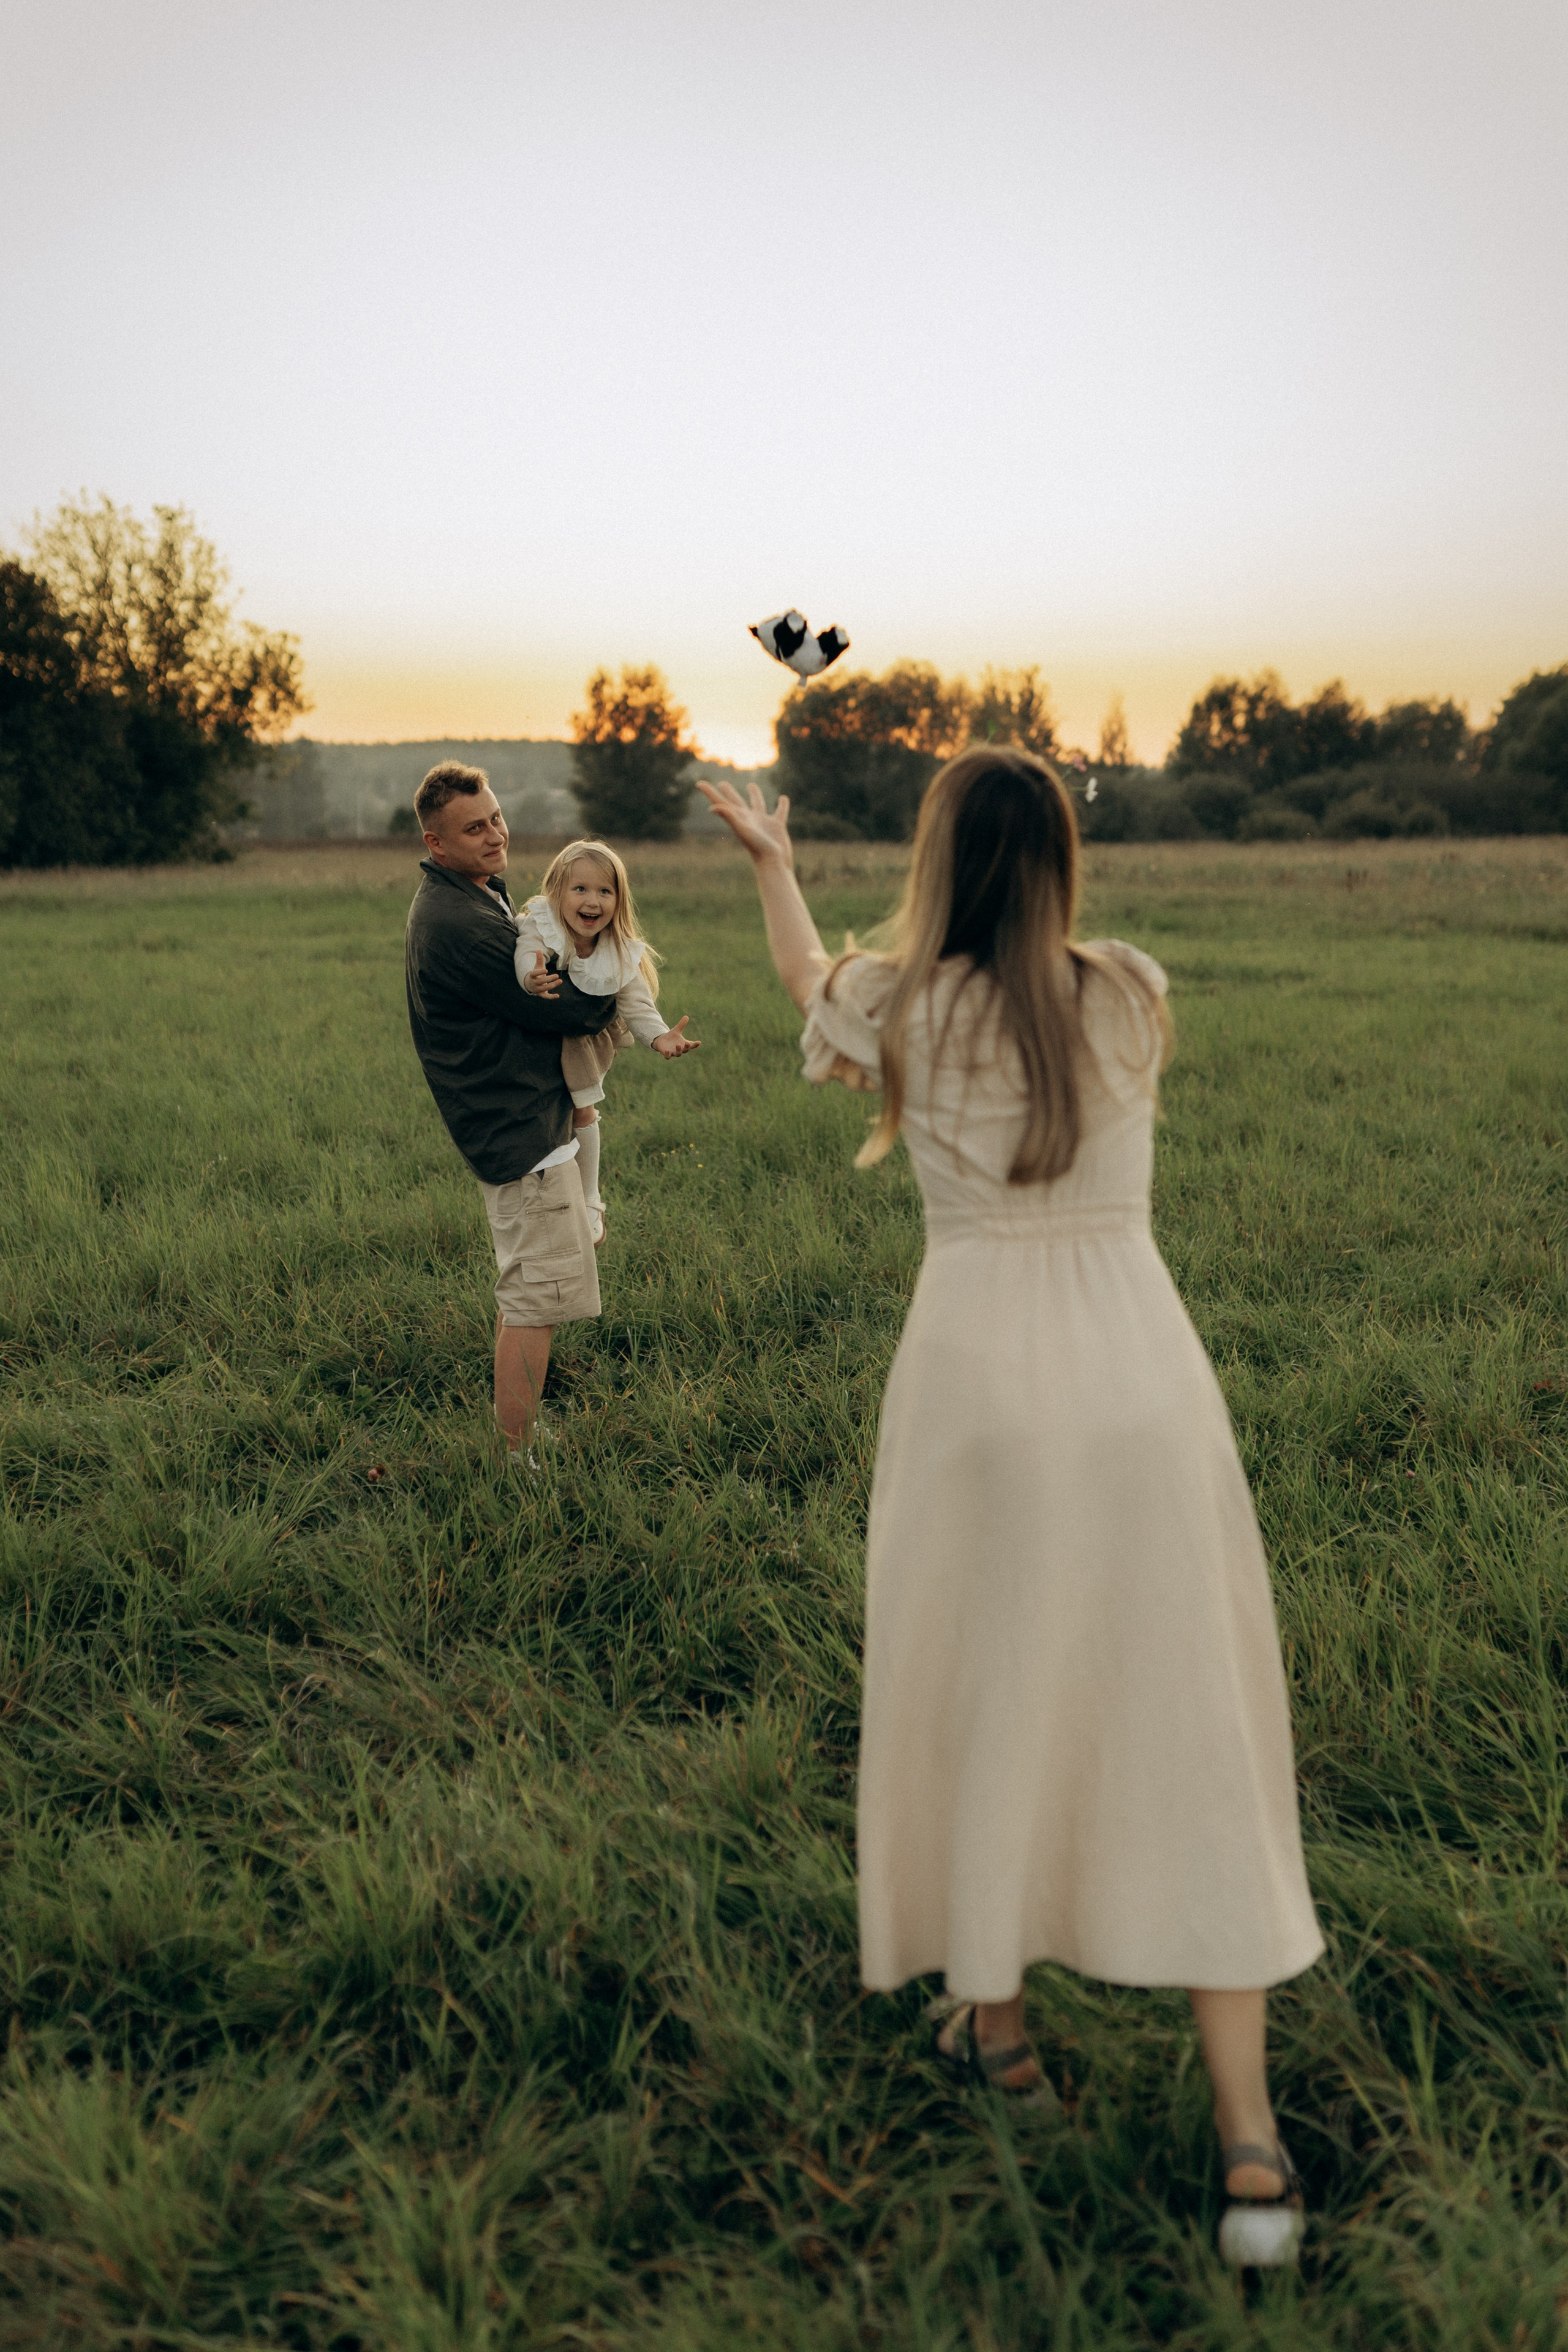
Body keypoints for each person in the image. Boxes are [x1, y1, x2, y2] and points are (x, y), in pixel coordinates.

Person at [696, 752, 1323, 2267]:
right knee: (1188, 1723)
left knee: (977, 1688)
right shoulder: (1130, 989)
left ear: (936, 857)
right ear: (1059, 856)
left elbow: (803, 975)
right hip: (1139, 1386)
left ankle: (999, 2031)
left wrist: (774, 861)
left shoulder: (899, 999)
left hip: (973, 1386)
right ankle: (1249, 2148)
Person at [404, 762, 617, 1455]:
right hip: (518, 1131)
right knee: (536, 1301)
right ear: (437, 844)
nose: (496, 834)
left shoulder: (477, 894)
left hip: (521, 1121)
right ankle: (515, 1455)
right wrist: (622, 982)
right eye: (475, 828)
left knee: (531, 1290)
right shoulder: (457, 920)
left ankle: (518, 1432)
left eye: (495, 818)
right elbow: (570, 1008)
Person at [513, 839, 699, 1244]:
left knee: (583, 1113)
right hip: (534, 1043)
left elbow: (637, 1003)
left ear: (619, 901)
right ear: (557, 891)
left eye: (605, 891)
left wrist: (660, 1037)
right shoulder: (543, 923)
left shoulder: (616, 952)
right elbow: (527, 949)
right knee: (546, 1117)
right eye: (580, 889)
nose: (592, 901)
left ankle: (591, 1200)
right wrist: (531, 975)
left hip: (582, 1046)